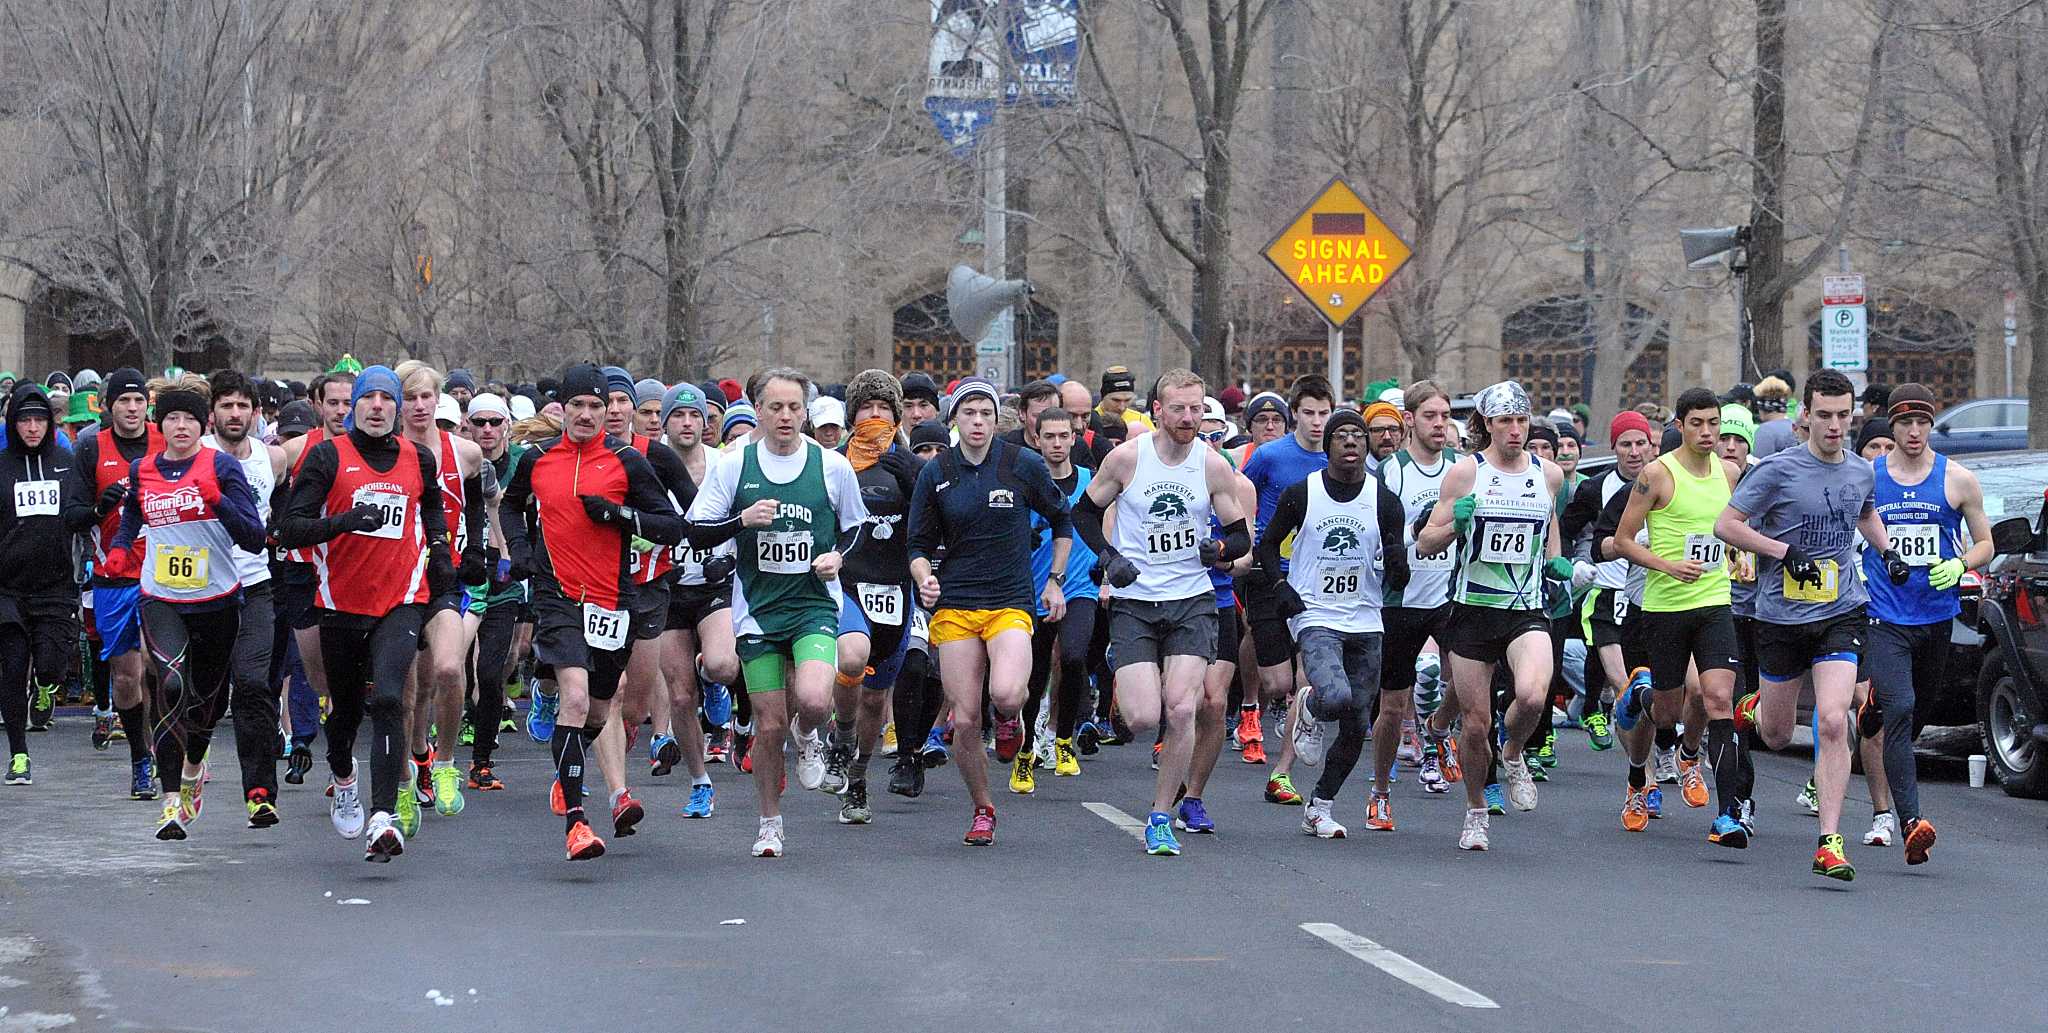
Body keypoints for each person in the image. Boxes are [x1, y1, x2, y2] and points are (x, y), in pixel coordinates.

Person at [499, 364, 704, 861]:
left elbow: (668, 524)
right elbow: (511, 505)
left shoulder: (627, 461)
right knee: (572, 699)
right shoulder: (537, 458)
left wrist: (618, 515)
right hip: (559, 598)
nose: (589, 414)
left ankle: (568, 762)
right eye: (579, 406)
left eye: (598, 406)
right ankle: (576, 822)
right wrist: (522, 551)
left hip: (614, 599)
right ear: (563, 410)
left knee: (604, 707)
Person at [1718, 369, 1910, 882]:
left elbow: (1865, 514)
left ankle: (1829, 841)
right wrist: (1785, 552)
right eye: (1823, 415)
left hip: (1841, 609)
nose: (1834, 426)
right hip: (1780, 615)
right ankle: (1753, 707)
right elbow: (1727, 525)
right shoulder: (1778, 471)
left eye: (1843, 416)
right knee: (1777, 736)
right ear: (1805, 415)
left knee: (1830, 720)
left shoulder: (1860, 471)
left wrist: (1886, 550)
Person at [277, 365, 457, 861]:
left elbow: (433, 509)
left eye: (386, 398)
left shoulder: (417, 457)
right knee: (345, 708)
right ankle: (343, 775)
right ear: (353, 406)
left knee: (391, 698)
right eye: (368, 398)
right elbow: (289, 528)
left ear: (397, 408)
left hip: (402, 598)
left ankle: (383, 816)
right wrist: (345, 522)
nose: (377, 405)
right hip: (340, 603)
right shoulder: (326, 457)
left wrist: (440, 551)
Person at [685, 368, 862, 857]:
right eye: (775, 407)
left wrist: (838, 556)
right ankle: (769, 821)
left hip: (813, 605)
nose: (786, 416)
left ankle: (808, 735)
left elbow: (856, 527)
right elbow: (696, 530)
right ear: (758, 411)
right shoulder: (732, 465)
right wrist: (742, 520)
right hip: (757, 611)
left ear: (806, 411)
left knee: (812, 699)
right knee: (766, 725)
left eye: (794, 407)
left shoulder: (831, 466)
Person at [1073, 369, 1250, 855]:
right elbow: (1083, 515)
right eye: (1179, 408)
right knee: (1144, 716)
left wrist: (1217, 547)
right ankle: (1120, 660)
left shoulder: (1212, 466)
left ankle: (1160, 816)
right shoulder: (1128, 459)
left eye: (1196, 408)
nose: (1189, 417)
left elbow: (1240, 536)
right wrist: (1110, 560)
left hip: (1192, 601)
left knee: (1182, 707)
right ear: (1158, 410)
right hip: (1135, 603)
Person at [908, 376, 1070, 846]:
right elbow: (917, 544)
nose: (978, 423)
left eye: (986, 414)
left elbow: (1062, 519)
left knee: (1006, 692)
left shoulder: (1022, 464)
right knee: (963, 716)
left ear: (997, 419)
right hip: (956, 602)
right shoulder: (936, 473)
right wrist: (925, 578)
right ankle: (983, 808)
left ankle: (1011, 717)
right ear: (953, 419)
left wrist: (1055, 581)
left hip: (1009, 601)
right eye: (968, 414)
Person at [105, 379, 269, 839]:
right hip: (161, 598)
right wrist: (121, 549)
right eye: (173, 418)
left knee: (208, 705)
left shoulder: (221, 466)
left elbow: (253, 537)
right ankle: (171, 800)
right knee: (171, 683)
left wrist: (216, 501)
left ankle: (195, 768)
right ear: (162, 425)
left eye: (191, 419)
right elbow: (134, 514)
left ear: (205, 425)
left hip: (217, 600)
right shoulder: (143, 469)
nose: (181, 426)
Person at [1415, 380, 1574, 851]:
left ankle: (1514, 753)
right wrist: (1454, 525)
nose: (1515, 430)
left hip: (1526, 608)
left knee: (1530, 696)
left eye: (1522, 420)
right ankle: (1476, 812)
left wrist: (1555, 561)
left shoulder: (1549, 475)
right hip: (1473, 608)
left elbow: (1549, 529)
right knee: (1477, 721)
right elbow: (1426, 542)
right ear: (1486, 424)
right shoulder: (1466, 474)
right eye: (1505, 420)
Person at [1856, 384, 1993, 866]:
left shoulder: (1956, 479)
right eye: (1904, 424)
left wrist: (1961, 567)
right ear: (1891, 428)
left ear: (1932, 427)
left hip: (1936, 616)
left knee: (1915, 715)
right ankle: (1911, 820)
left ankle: (1873, 710)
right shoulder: (1869, 476)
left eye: (1922, 424)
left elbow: (1985, 544)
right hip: (1883, 614)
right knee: (1903, 708)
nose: (1914, 433)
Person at [1610, 388, 1753, 846]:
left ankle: (1726, 812)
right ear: (1680, 426)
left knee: (1716, 699)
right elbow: (1624, 540)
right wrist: (1668, 565)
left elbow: (1729, 531)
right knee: (1666, 713)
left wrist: (1739, 556)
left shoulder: (1729, 472)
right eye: (1698, 424)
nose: (1709, 433)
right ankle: (1638, 767)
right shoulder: (1657, 474)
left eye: (1715, 424)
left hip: (1714, 602)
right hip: (1666, 607)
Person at [1260, 409, 1409, 838]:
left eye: (1357, 436)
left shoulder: (1384, 501)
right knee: (1336, 694)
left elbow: (1396, 566)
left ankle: (1320, 807)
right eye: (1341, 436)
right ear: (1327, 447)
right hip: (1315, 612)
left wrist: (1399, 566)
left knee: (1358, 722)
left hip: (1365, 615)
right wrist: (1279, 584)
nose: (1350, 443)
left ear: (1366, 447)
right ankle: (1309, 704)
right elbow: (1268, 545)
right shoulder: (1301, 493)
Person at [393, 361, 491, 832]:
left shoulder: (466, 453)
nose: (417, 406)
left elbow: (475, 504)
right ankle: (413, 765)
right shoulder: (385, 453)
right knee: (411, 688)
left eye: (424, 397)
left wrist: (474, 549)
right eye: (408, 398)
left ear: (439, 401)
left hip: (443, 578)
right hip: (395, 581)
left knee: (450, 669)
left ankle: (447, 761)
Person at [830, 370, 924, 820]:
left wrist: (917, 474)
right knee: (851, 657)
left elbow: (935, 521)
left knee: (874, 698)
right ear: (852, 415)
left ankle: (859, 777)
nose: (874, 416)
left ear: (896, 415)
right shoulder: (832, 462)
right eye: (866, 408)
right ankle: (841, 735)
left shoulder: (907, 467)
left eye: (883, 408)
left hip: (894, 591)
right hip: (846, 583)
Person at [198, 370, 291, 826]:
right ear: (211, 413)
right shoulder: (196, 456)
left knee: (253, 686)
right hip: (203, 590)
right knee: (206, 697)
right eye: (226, 406)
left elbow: (284, 510)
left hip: (255, 586)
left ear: (256, 413)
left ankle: (259, 792)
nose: (234, 414)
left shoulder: (273, 460)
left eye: (242, 406)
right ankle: (191, 766)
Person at [69, 368, 164, 799]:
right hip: (112, 576)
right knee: (127, 677)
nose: (131, 408)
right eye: (122, 401)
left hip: (163, 573)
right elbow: (70, 515)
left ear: (148, 405)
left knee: (162, 670)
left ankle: (167, 751)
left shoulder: (166, 441)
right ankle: (140, 760)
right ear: (108, 406)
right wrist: (96, 509)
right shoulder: (92, 446)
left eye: (138, 401)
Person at [1239, 376, 1334, 805]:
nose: (1317, 422)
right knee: (1276, 681)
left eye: (1324, 413)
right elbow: (1240, 493)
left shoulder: (1340, 459)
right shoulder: (1270, 455)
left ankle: (1282, 773)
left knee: (1304, 678)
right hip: (1268, 572)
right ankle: (1277, 706)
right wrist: (1245, 539)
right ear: (1295, 413)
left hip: (1317, 581)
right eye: (1309, 413)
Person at [0, 382, 96, 786]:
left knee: (53, 664)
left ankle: (45, 687)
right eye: (25, 420)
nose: (33, 428)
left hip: (56, 585)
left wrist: (92, 515)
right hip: (7, 587)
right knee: (12, 666)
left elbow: (76, 511)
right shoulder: (2, 464)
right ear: (13, 423)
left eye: (40, 419)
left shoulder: (65, 459)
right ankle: (19, 754)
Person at [1374, 381, 1461, 808]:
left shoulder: (1461, 468)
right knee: (1391, 704)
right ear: (1409, 420)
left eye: (1445, 416)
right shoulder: (1394, 470)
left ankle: (1437, 736)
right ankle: (1381, 790)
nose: (1440, 424)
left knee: (1469, 680)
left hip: (1451, 590)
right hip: (1402, 596)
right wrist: (1418, 532)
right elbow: (1381, 537)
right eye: (1430, 416)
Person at [461, 391, 523, 793]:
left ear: (507, 426)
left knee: (491, 670)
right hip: (462, 578)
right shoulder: (459, 459)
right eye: (478, 423)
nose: (486, 430)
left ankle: (481, 761)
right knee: (450, 671)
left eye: (494, 422)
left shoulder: (523, 464)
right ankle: (430, 753)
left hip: (505, 579)